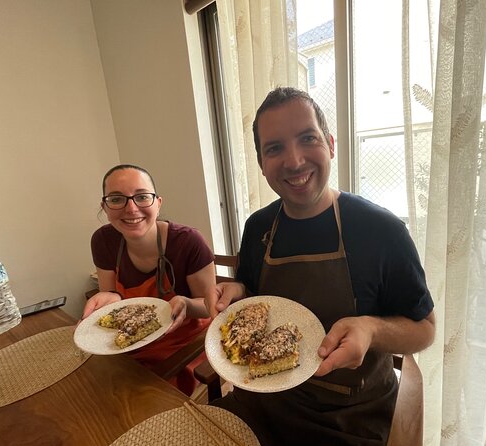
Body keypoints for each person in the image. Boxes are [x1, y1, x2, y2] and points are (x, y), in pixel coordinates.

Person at [206, 87, 435, 445]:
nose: (294, 161)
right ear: (262, 164)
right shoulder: (258, 228)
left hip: (348, 418)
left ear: (330, 143)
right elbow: (251, 297)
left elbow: (426, 330)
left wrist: (372, 329)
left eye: (307, 138)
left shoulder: (380, 231)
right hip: (261, 401)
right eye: (275, 148)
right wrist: (236, 290)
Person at [82, 164, 215, 396]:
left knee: (147, 401)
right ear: (105, 206)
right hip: (131, 340)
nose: (131, 208)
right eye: (116, 199)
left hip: (186, 343)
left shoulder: (188, 242)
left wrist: (185, 304)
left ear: (158, 202)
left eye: (142, 197)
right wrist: (109, 298)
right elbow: (115, 299)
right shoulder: (103, 241)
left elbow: (208, 307)